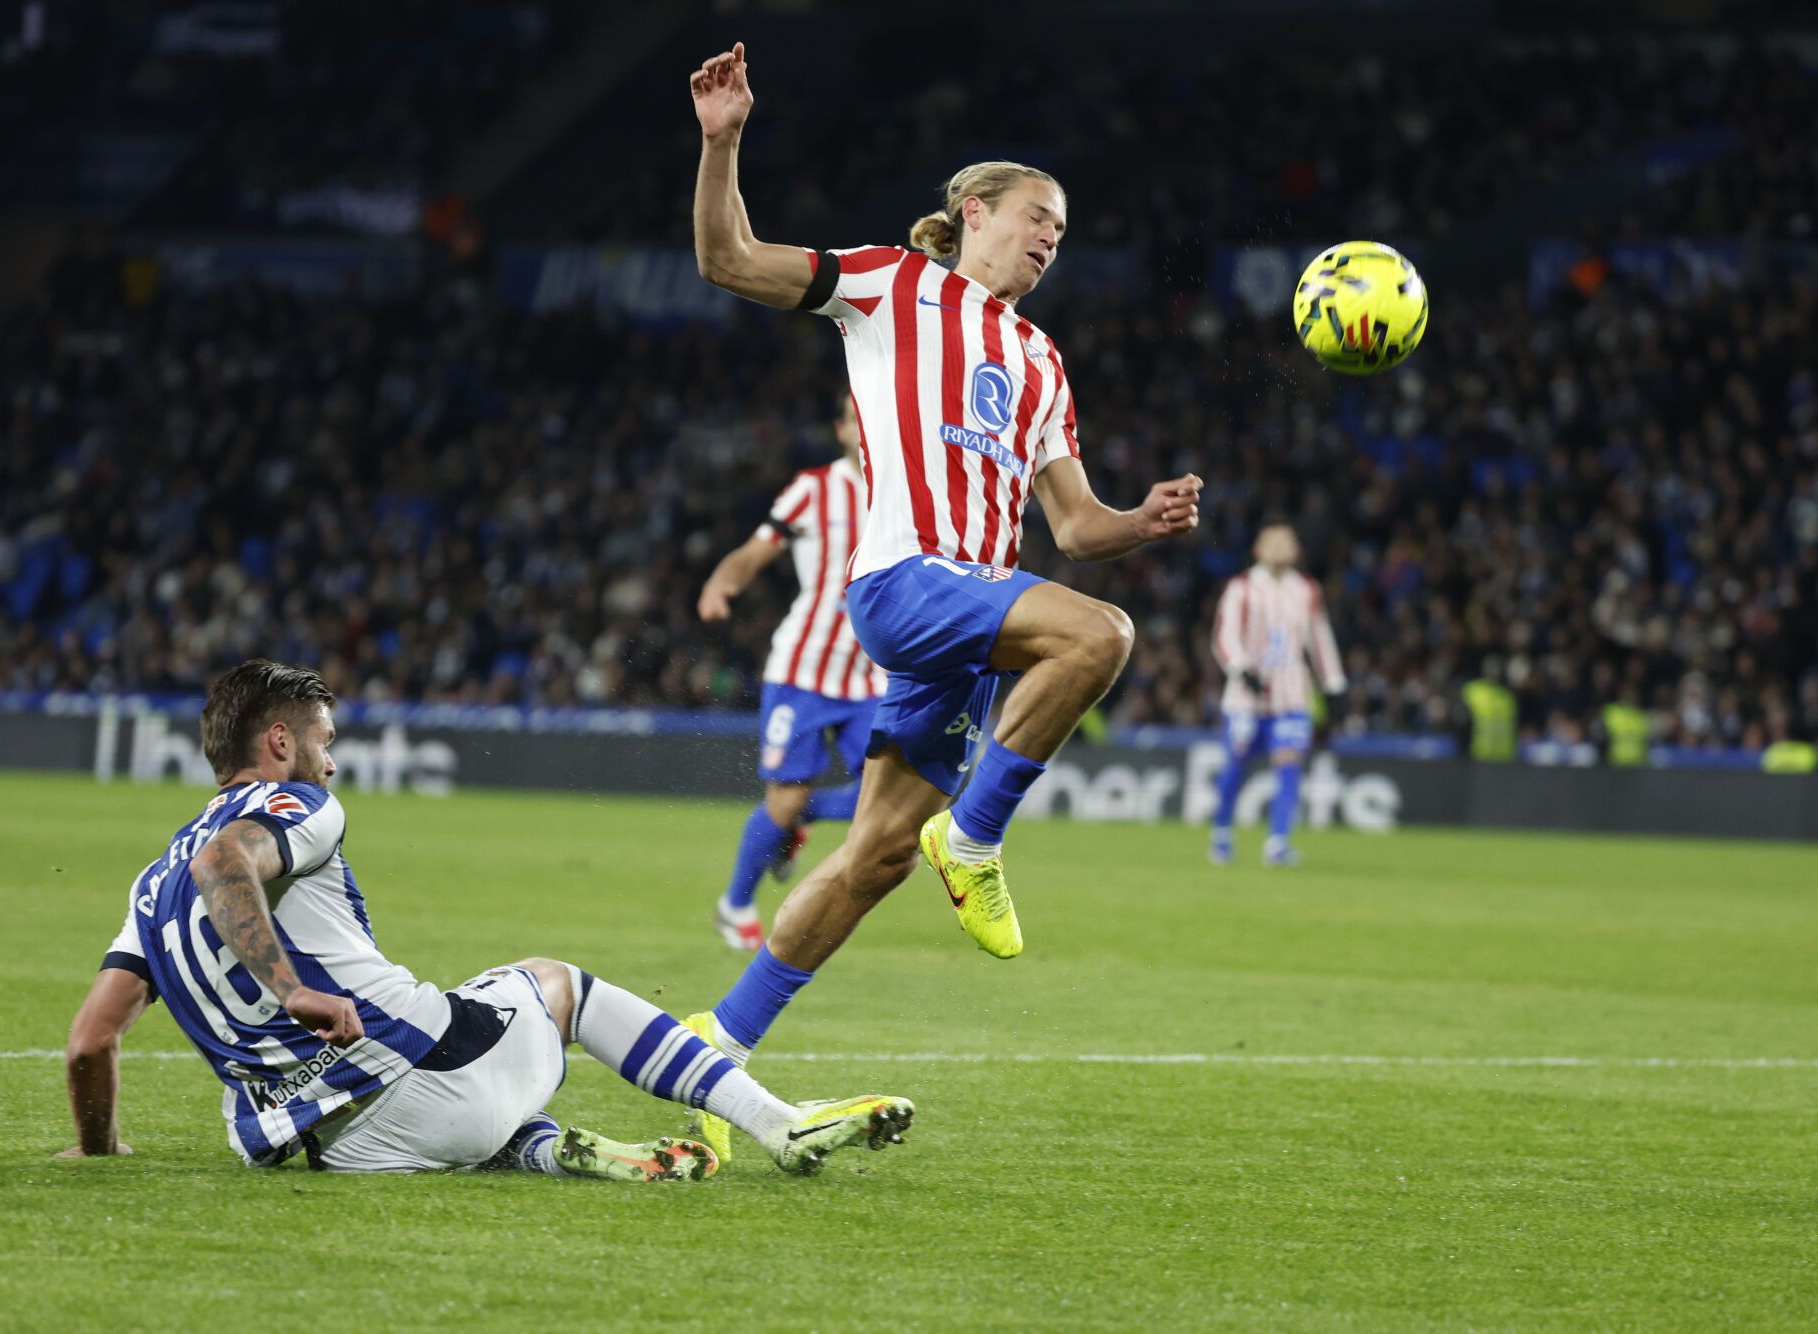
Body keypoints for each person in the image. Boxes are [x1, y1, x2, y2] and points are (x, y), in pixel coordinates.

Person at [682, 42, 1203, 1161]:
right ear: (972, 210)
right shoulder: (888, 283)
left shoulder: (1041, 361)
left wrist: (1141, 519)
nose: (1049, 235)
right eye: (1035, 214)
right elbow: (726, 259)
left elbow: (1073, 527)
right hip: (905, 579)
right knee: (1098, 633)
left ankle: (713, 1046)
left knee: (871, 852)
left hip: (964, 622)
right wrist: (722, 141)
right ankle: (972, 839)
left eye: (1059, 230)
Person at [59, 659, 913, 1178]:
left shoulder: (147, 885)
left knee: (479, 1036)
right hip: (414, 1074)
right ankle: (780, 1123)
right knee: (557, 985)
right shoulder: (299, 804)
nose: (333, 756)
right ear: (279, 743)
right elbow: (226, 862)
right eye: (324, 739)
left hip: (332, 1152)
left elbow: (90, 1041)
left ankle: (544, 1149)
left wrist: (97, 1150)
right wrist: (292, 991)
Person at [697, 393, 884, 951]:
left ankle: (802, 818)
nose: (867, 428)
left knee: (905, 797)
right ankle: (735, 905)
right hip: (803, 668)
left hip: (871, 674)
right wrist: (721, 582)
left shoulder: (907, 491)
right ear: (841, 429)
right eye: (857, 419)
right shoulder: (814, 489)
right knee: (782, 798)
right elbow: (756, 550)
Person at [1207, 524, 1347, 867]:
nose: (1282, 546)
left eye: (1289, 541)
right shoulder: (1242, 588)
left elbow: (1319, 637)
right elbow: (1224, 636)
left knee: (1289, 767)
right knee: (1235, 768)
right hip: (1245, 699)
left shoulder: (1306, 589)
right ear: (1258, 548)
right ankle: (1222, 834)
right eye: (1274, 541)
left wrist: (1333, 685)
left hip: (1291, 697)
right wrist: (1241, 669)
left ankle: (1278, 843)